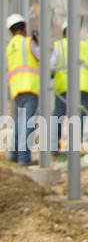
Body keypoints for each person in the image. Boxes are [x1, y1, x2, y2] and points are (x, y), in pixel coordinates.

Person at [52, 23, 88, 151]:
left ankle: (53, 143)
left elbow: (51, 65)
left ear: (64, 32)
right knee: (80, 115)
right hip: (83, 85)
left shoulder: (59, 46)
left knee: (59, 113)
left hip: (64, 84)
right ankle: (74, 146)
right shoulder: (86, 45)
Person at [6, 14, 40, 165]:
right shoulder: (27, 43)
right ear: (23, 28)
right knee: (27, 123)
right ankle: (23, 158)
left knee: (20, 122)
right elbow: (40, 57)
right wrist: (37, 42)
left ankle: (13, 154)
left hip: (16, 89)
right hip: (30, 86)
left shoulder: (10, 47)